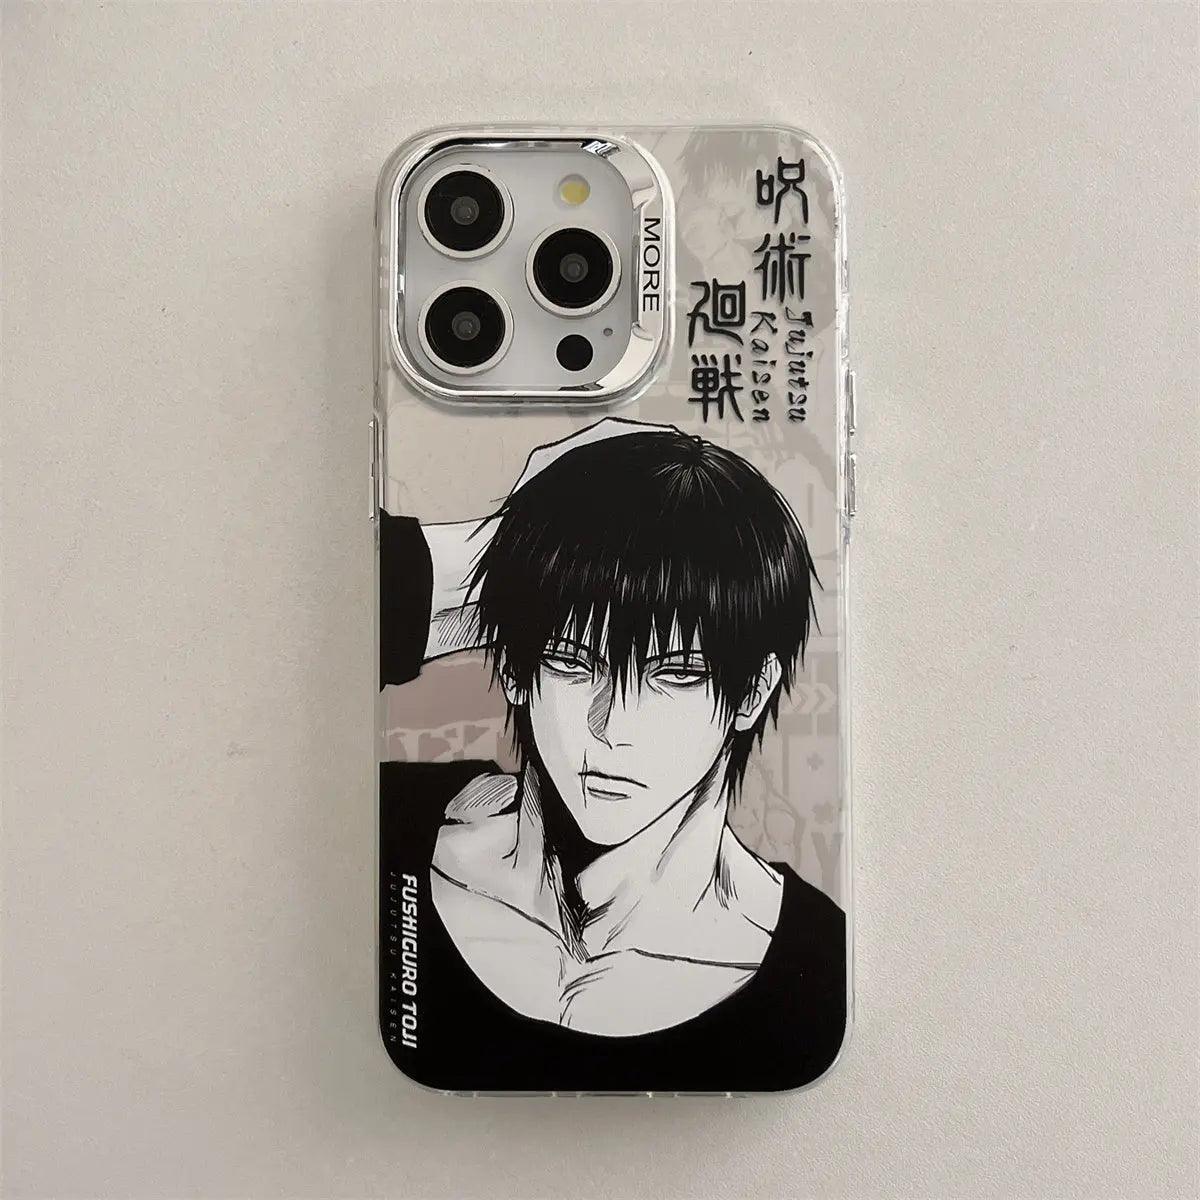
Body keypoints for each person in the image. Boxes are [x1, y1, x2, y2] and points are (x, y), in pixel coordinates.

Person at [380, 419, 846, 1092]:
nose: (610, 727)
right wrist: (498, 552)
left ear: (752, 691)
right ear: (512, 666)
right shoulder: (394, 823)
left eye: (676, 674)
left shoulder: (816, 967)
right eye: (572, 662)